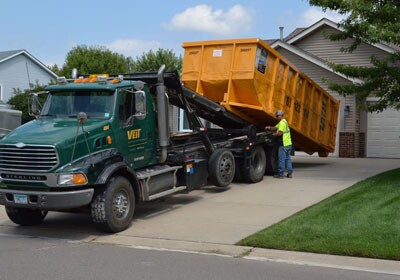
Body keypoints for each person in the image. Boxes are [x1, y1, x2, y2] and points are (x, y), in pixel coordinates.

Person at [265, 110, 293, 179]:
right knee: (287, 159)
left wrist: (273, 135)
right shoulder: (283, 122)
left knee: (281, 159)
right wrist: (269, 127)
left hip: (284, 144)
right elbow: (276, 127)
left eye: (278, 116)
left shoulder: (282, 123)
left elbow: (280, 133)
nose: (277, 117)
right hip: (289, 144)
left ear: (282, 115)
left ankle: (280, 174)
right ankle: (290, 173)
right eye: (276, 116)